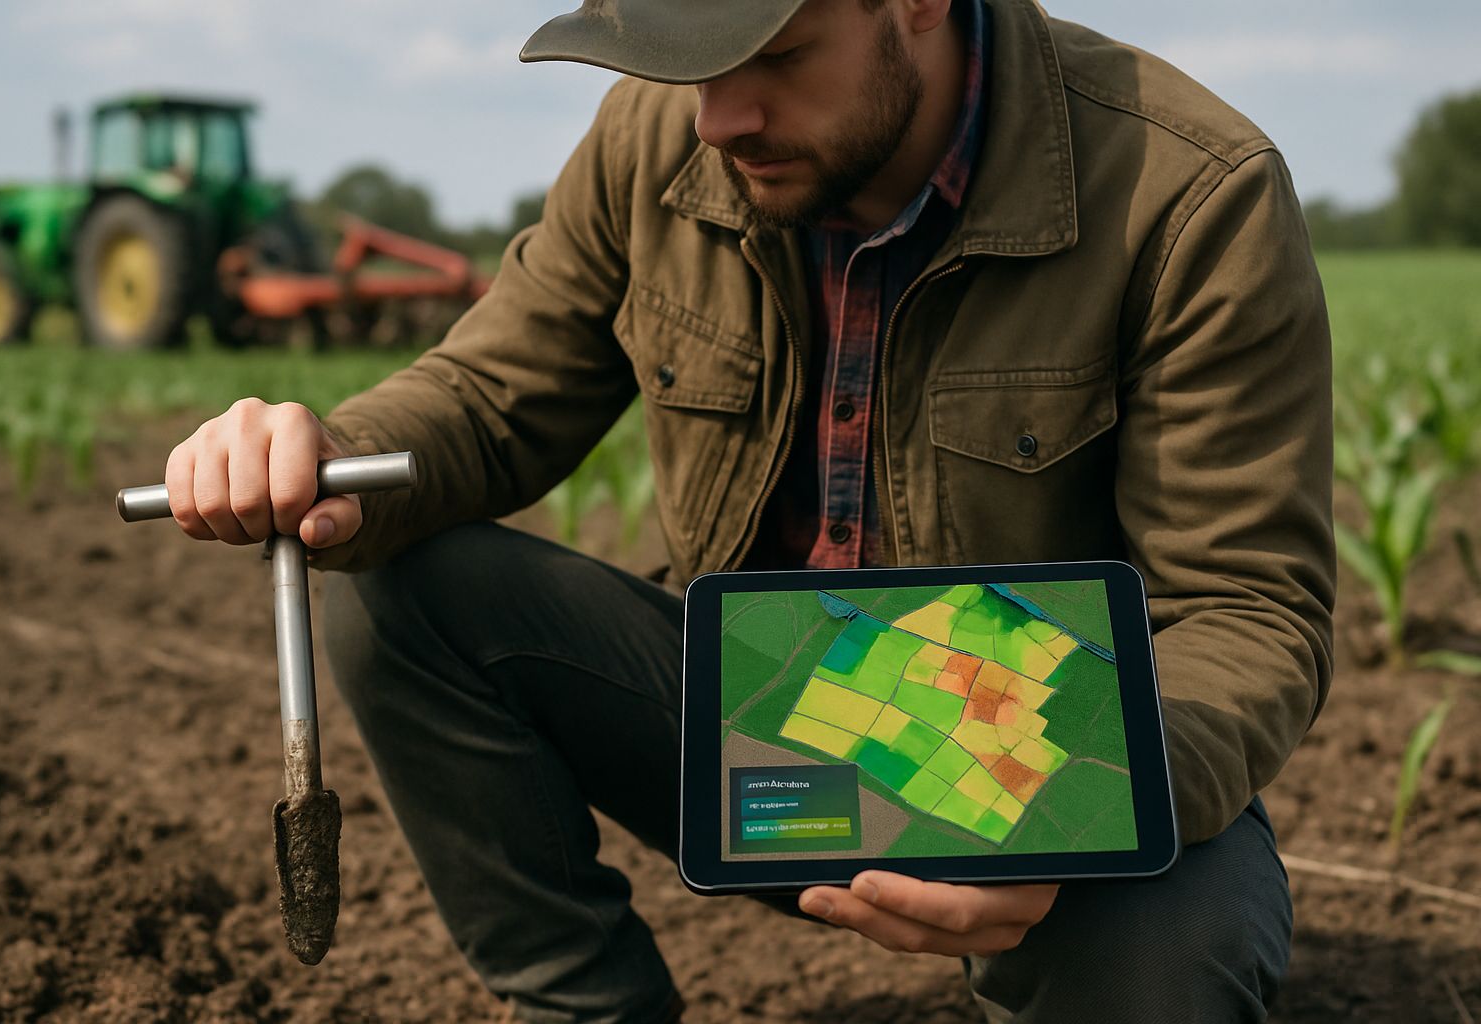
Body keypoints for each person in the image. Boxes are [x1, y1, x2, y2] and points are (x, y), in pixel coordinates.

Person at [162, 0, 1334, 1020]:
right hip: (755, 723)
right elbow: (490, 394)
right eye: (685, 62)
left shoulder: (1188, 193)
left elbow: (1245, 606)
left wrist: (1073, 803)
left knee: (1171, 952)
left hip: (1024, 746)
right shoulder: (658, 134)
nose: (717, 116)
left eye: (769, 52)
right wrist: (328, 448)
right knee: (400, 590)